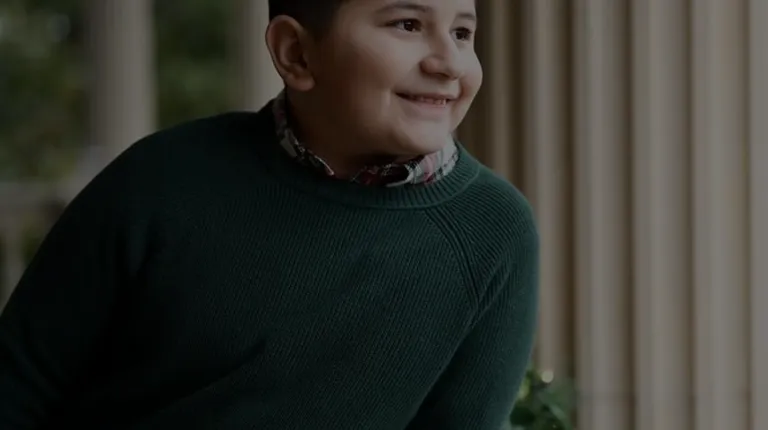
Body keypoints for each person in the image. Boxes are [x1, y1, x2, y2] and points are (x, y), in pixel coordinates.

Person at [0, 0, 539, 428]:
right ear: (295, 53)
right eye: (407, 24)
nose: (448, 62)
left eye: (462, 33)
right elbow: (17, 386)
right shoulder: (158, 182)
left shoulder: (494, 232)